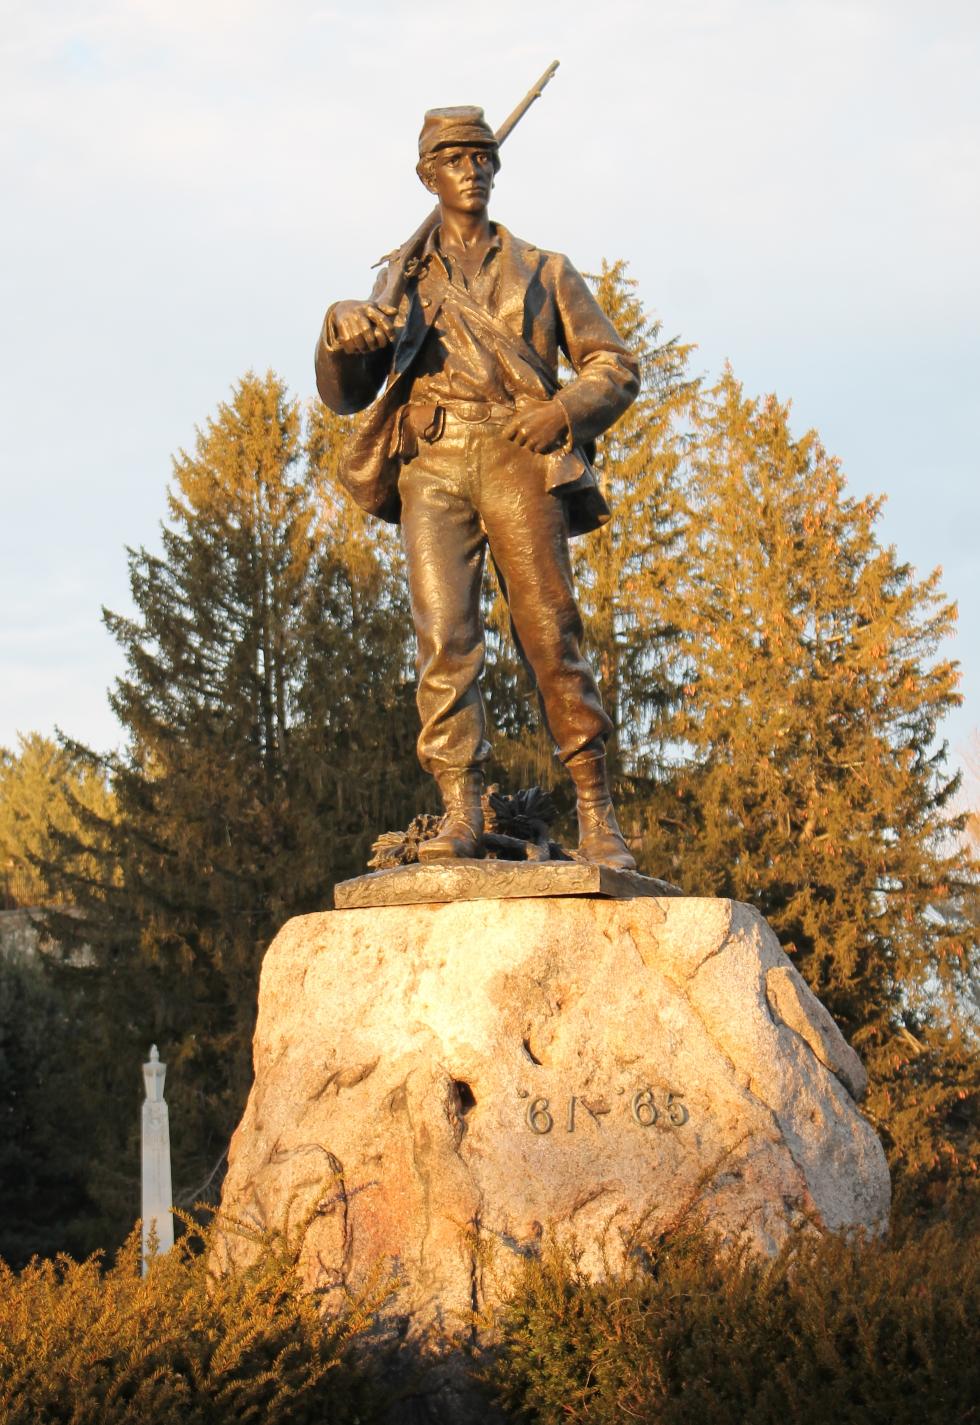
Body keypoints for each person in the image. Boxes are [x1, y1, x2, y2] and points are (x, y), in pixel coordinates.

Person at [315, 105, 640, 869]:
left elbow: (615, 366)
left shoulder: (544, 267)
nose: (472, 169)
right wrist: (339, 328)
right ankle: (459, 807)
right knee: (445, 641)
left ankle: (598, 815)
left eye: (483, 157)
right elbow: (347, 392)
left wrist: (562, 411)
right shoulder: (401, 282)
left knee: (551, 633)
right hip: (431, 462)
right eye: (455, 158)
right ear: (428, 175)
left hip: (518, 456)